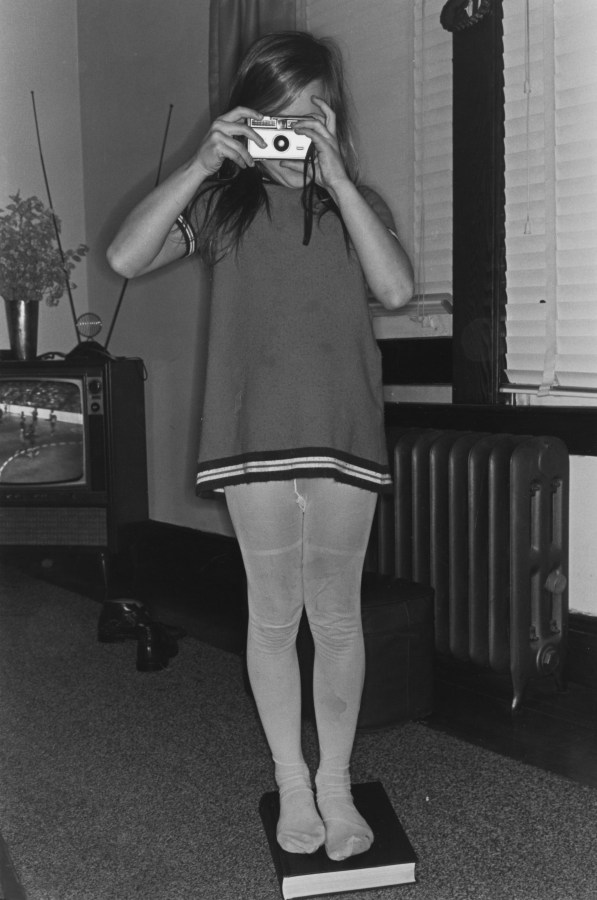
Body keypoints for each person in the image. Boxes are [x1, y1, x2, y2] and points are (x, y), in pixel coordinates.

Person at [107, 31, 413, 862]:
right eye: (275, 118)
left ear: (333, 116)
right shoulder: (222, 206)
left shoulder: (356, 206)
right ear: (247, 121)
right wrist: (203, 163)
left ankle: (338, 784)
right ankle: (292, 779)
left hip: (342, 433)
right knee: (274, 616)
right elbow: (126, 256)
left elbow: (393, 288)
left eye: (311, 113)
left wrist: (340, 180)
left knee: (338, 617)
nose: (293, 135)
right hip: (251, 439)